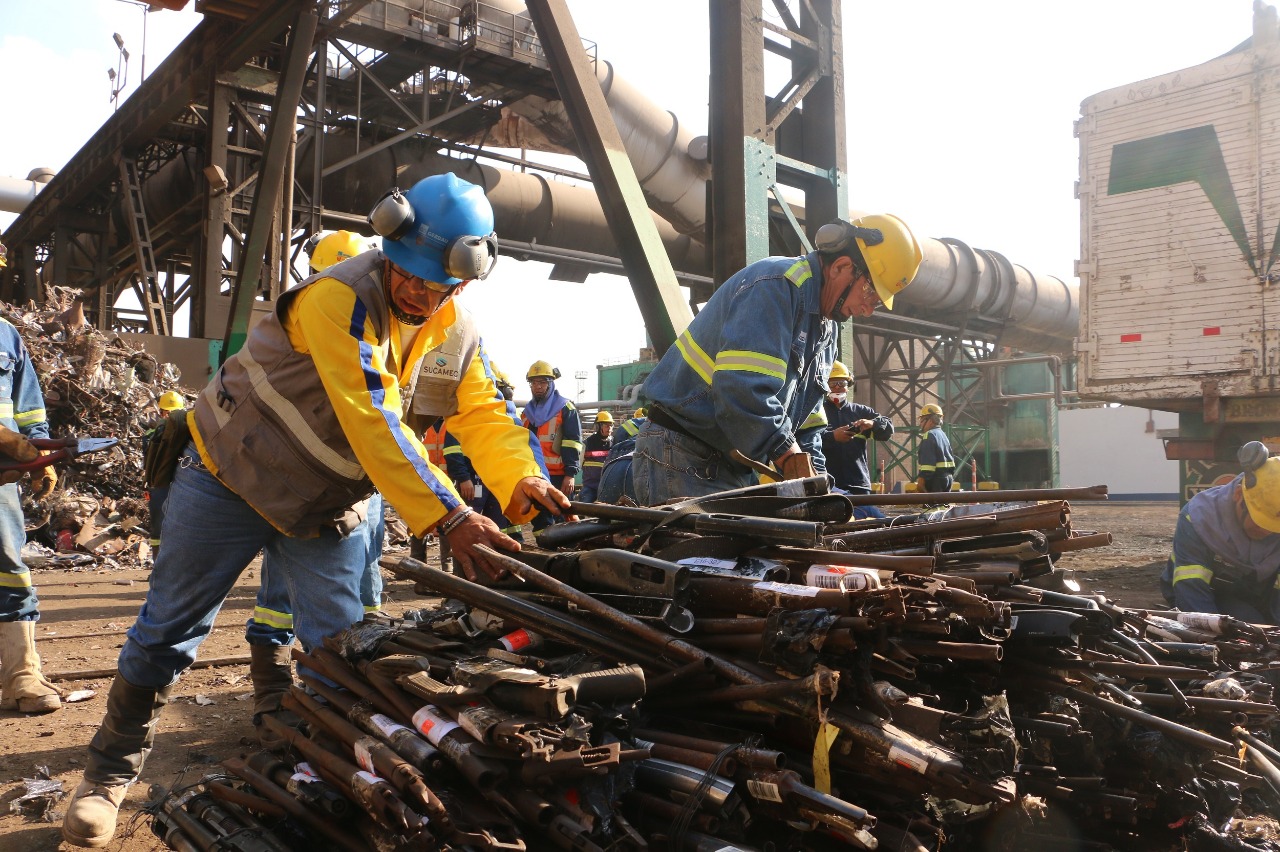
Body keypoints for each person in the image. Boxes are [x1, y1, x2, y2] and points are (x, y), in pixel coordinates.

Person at [62, 173, 570, 848]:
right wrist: (449, 516)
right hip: (231, 480)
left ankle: (333, 776)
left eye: (431, 282)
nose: (413, 290)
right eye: (405, 272)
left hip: (326, 507)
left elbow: (480, 411)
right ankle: (105, 776)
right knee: (168, 629)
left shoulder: (455, 332)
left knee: (342, 653)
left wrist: (521, 478)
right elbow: (373, 416)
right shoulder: (338, 298)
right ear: (388, 248)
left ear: (466, 277)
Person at [633, 215, 922, 505]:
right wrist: (788, 453)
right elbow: (742, 389)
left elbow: (809, 422)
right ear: (841, 267)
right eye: (870, 293)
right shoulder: (775, 287)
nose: (868, 309)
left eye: (876, 303)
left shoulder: (827, 329)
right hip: (683, 453)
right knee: (701, 551)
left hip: (730, 462)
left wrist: (817, 485)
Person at [243, 228, 383, 748]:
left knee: (363, 576)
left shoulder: (377, 326)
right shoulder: (302, 325)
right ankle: (273, 681)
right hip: (302, 480)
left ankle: (356, 670)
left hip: (363, 481)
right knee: (284, 585)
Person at [0, 297, 61, 716]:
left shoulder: (6, 334)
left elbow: (28, 405)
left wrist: (40, 450)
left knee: (8, 565)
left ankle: (23, 673)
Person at [1160, 441, 1280, 622]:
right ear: (1238, 495)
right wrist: (1212, 635)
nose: (1266, 532)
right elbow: (1191, 588)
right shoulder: (1198, 517)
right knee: (1248, 623)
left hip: (1257, 595)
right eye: (1259, 522)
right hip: (1207, 594)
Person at [821, 361, 893, 518]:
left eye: (842, 383)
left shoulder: (861, 411)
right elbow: (807, 441)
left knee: (865, 526)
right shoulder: (818, 412)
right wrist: (832, 437)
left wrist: (872, 424)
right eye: (833, 383)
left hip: (858, 486)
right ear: (825, 385)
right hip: (830, 487)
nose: (838, 387)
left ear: (849, 384)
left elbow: (888, 430)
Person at [521, 360, 581, 527]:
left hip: (558, 476)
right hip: (535, 475)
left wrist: (570, 474)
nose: (538, 386)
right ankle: (545, 550)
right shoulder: (526, 413)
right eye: (533, 382)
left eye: (542, 382)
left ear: (551, 383)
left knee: (563, 518)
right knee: (540, 521)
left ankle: (567, 552)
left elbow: (573, 442)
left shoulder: (565, 408)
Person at [142, 390, 186, 554]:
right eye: (168, 412)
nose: (169, 416)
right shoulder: (153, 435)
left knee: (170, 526)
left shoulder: (152, 435)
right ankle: (161, 568)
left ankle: (168, 568)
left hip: (169, 485)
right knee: (161, 527)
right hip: (166, 485)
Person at [597, 408, 647, 504]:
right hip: (641, 460)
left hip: (615, 463)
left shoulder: (635, 422)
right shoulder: (661, 424)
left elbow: (620, 432)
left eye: (610, 425)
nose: (609, 428)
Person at [916, 403, 956, 493]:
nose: (920, 424)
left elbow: (928, 464)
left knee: (932, 507)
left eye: (922, 420)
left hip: (935, 481)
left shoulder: (929, 435)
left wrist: (921, 482)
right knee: (943, 506)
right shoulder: (943, 435)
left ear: (930, 420)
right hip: (948, 479)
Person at [579, 410, 614, 502]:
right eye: (606, 425)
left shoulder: (614, 444)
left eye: (611, 425)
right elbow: (579, 464)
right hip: (590, 487)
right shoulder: (587, 444)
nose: (609, 428)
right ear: (598, 427)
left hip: (608, 487)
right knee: (584, 506)